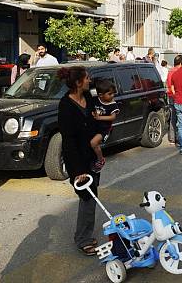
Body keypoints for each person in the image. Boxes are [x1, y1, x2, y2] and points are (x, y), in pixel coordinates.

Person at [57, 66, 100, 255]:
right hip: (77, 161)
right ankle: (83, 239)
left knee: (92, 196)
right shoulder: (65, 105)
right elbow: (68, 140)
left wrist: (99, 142)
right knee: (87, 197)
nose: (90, 80)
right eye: (87, 78)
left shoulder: (89, 98)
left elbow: (95, 121)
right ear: (78, 82)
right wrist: (77, 170)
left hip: (92, 156)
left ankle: (85, 235)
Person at [89, 79, 120, 173]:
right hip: (94, 127)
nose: (112, 96)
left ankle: (101, 159)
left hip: (104, 129)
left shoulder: (113, 105)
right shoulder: (95, 99)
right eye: (110, 94)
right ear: (100, 95)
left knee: (94, 143)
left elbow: (112, 117)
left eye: (113, 93)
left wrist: (99, 118)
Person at [166, 55, 181, 145]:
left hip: (170, 96)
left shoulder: (170, 71)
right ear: (179, 63)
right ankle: (178, 137)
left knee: (173, 117)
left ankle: (172, 138)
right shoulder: (177, 72)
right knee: (179, 117)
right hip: (176, 96)